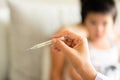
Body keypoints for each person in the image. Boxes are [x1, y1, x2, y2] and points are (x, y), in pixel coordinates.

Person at [50, 0, 120, 80]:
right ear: (84, 23)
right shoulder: (83, 45)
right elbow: (73, 72)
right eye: (93, 23)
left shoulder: (115, 42)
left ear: (113, 24)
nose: (99, 29)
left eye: (105, 23)